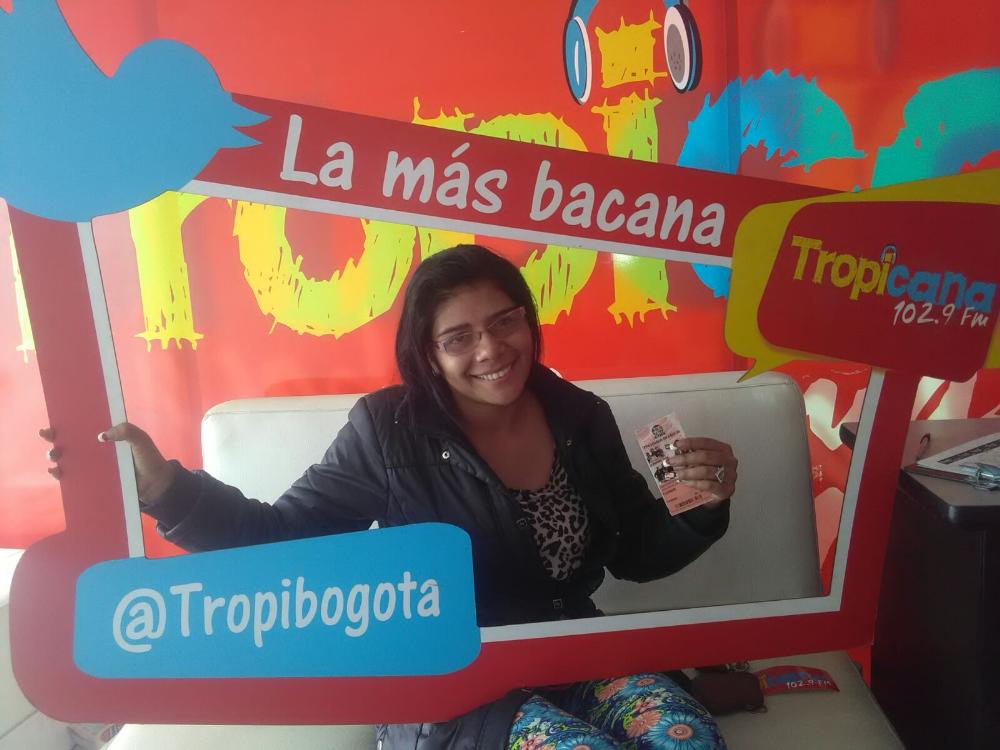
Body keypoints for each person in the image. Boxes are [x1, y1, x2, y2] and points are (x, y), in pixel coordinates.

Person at [45, 244, 738, 749]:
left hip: (571, 651)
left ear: (529, 321)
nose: (491, 349)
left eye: (505, 322)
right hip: (451, 679)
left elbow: (634, 554)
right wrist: (167, 490)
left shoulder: (579, 415)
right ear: (428, 353)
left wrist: (701, 506)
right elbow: (283, 540)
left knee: (686, 737)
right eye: (459, 337)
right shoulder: (387, 430)